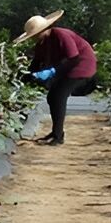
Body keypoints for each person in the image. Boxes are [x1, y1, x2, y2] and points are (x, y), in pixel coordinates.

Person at [16, 11, 97, 146]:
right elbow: (35, 64)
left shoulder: (60, 34)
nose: (34, 38)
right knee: (52, 96)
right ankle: (56, 133)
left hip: (81, 66)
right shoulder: (42, 44)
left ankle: (58, 136)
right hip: (67, 68)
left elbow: (74, 58)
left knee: (58, 95)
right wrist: (26, 76)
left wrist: (52, 71)